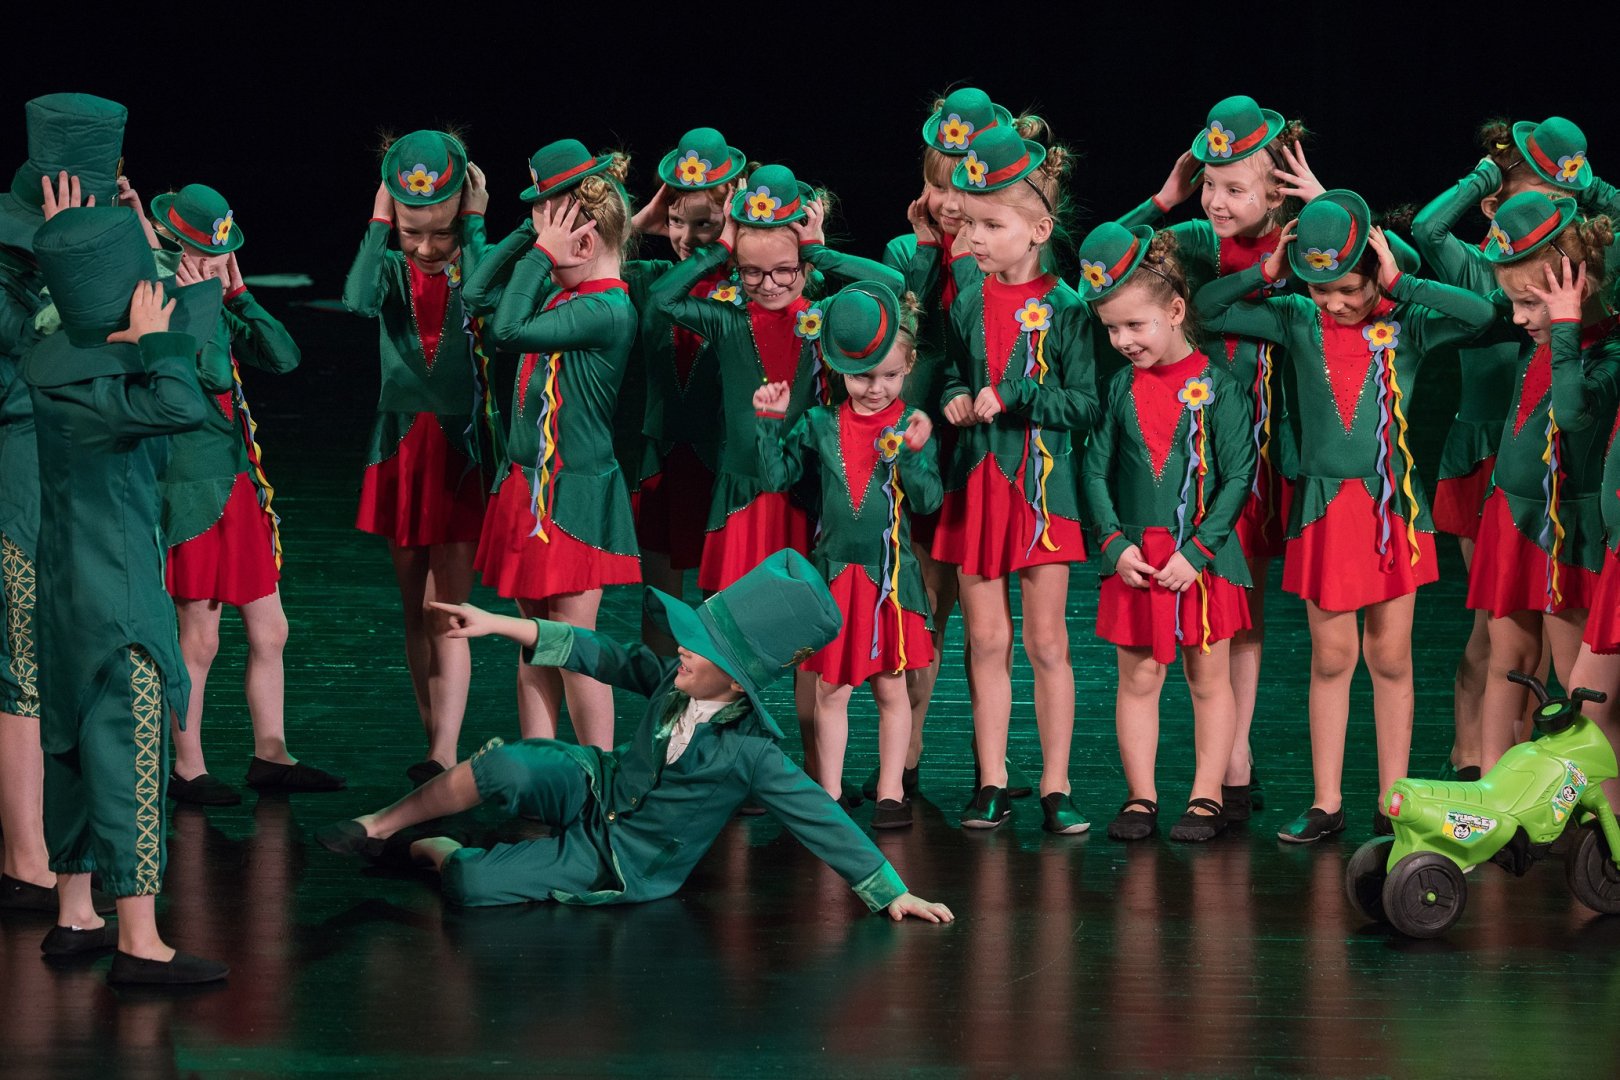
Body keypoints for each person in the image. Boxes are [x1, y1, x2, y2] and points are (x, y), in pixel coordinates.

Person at [317, 549, 954, 923]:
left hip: (623, 857)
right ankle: (378, 824)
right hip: (596, 786)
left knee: (471, 886)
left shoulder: (752, 754)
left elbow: (821, 817)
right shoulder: (673, 677)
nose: (682, 650)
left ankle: (435, 846)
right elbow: (596, 652)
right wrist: (496, 624)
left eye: (699, 649)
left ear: (736, 682)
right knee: (510, 765)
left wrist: (891, 893)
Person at [1196, 190, 1497, 841]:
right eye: (1321, 289)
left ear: (1374, 273)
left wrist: (1401, 282)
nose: (1334, 303)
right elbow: (1207, 309)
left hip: (1392, 510)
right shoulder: (1297, 318)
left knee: (1390, 657)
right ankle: (1326, 801)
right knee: (1332, 658)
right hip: (1325, 512)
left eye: (1349, 290)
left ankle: (1394, 801)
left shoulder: (1409, 322)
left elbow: (1482, 313)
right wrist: (1267, 273)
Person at [25, 205, 227, 983]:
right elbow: (181, 404)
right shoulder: (103, 392)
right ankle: (140, 941)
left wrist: (153, 322)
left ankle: (75, 913)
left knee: (73, 747)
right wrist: (156, 342)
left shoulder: (59, 365)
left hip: (64, 590)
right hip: (117, 595)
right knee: (130, 745)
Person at [1118, 94, 1321, 818]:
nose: (1216, 200)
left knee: (1243, 601)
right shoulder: (1197, 242)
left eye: (1234, 187)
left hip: (1256, 452)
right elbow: (1105, 263)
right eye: (1209, 184)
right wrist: (1163, 199)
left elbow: (1380, 270)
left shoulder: (1304, 243)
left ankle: (1235, 756)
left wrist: (1326, 206)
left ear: (1276, 191)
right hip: (1180, 452)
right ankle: (1221, 759)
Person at [152, 183, 343, 804]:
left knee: (271, 630)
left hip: (236, 483)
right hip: (192, 486)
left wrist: (238, 294)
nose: (219, 261)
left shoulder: (211, 297)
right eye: (210, 253)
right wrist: (203, 297)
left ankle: (272, 754)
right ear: (176, 247)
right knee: (200, 638)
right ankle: (187, 767)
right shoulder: (164, 299)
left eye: (223, 252)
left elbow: (283, 357)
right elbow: (209, 371)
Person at [933, 123, 1099, 831]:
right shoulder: (968, 297)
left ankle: (1057, 784)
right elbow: (951, 369)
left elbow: (1086, 404)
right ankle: (993, 779)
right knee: (988, 641)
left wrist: (1018, 394)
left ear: (1038, 229)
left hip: (1041, 491)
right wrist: (953, 397)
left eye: (991, 225)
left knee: (1046, 643)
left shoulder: (1067, 308)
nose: (973, 238)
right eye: (970, 224)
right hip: (977, 488)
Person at [1078, 223, 1255, 842]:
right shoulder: (1118, 388)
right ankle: (1140, 797)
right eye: (1111, 329)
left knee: (1209, 678)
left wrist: (1198, 552)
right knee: (1138, 678)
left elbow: (1239, 475)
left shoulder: (1222, 388)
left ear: (1176, 311)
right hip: (1137, 558)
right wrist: (1113, 544)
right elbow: (1093, 469)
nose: (1123, 340)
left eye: (1136, 325)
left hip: (1201, 559)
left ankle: (1207, 794)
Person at [471, 139, 642, 749]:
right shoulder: (563, 296)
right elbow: (477, 297)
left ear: (585, 245)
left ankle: (600, 773)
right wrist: (533, 231)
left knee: (572, 646)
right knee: (535, 641)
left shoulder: (606, 310)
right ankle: (539, 767)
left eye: (555, 238)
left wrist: (543, 251)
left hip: (572, 496)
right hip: (529, 487)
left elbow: (507, 329)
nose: (541, 255)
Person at [0, 92, 126, 916]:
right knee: (23, 661)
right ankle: (24, 856)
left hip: (84, 471)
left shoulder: (89, 250)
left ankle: (64, 847)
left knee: (71, 659)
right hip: (20, 472)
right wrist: (60, 251)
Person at [754, 281, 941, 826]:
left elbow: (928, 500)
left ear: (908, 368)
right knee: (831, 689)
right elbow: (777, 478)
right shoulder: (819, 423)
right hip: (835, 577)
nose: (876, 389)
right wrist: (769, 424)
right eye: (863, 377)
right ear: (839, 370)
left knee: (891, 687)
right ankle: (829, 793)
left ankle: (890, 792)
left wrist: (912, 455)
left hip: (890, 580)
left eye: (890, 376)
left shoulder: (911, 426)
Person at [343, 129, 495, 786]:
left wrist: (477, 228)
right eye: (414, 234)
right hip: (401, 449)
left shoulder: (475, 264)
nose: (428, 249)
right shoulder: (389, 270)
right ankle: (433, 740)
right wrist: (380, 226)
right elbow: (355, 300)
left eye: (443, 234)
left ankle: (445, 750)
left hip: (460, 451)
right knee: (414, 610)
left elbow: (486, 298)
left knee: (446, 609)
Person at [1468, 192, 1620, 769]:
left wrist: (1566, 327)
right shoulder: (1545, 341)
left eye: (1529, 303)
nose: (1518, 318)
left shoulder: (1605, 353)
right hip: (1511, 516)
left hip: (1567, 530)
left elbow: (1574, 415)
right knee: (1508, 658)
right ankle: (1492, 789)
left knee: (1574, 678)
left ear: (1576, 289)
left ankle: (1586, 798)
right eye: (1515, 302)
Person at [625, 127, 745, 653]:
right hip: (661, 458)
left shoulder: (750, 285)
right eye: (676, 221)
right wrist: (643, 219)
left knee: (722, 605)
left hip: (722, 461)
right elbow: (586, 258)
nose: (687, 237)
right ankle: (662, 697)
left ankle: (716, 697)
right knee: (660, 604)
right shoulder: (650, 276)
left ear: (730, 222)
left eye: (705, 224)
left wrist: (729, 246)